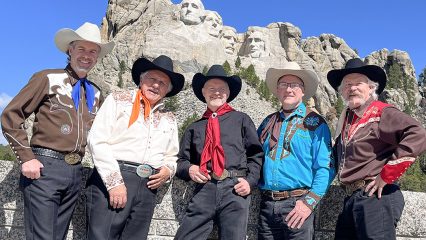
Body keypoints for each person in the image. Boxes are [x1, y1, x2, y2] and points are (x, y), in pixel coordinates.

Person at [0, 22, 114, 239]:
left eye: (93, 51)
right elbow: (11, 116)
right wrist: (26, 158)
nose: (86, 56)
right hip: (45, 168)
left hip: (75, 172)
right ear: (70, 50)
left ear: (97, 57)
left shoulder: (96, 94)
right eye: (81, 49)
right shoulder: (47, 78)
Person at [85, 55, 184, 240]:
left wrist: (168, 170)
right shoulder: (117, 100)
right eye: (152, 79)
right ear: (141, 79)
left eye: (162, 83)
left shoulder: (169, 118)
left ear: (167, 90)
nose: (156, 85)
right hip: (115, 179)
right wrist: (114, 183)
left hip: (147, 187)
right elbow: (97, 140)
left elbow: (172, 155)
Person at [327, 58, 426, 240]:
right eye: (347, 84)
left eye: (358, 83)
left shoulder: (382, 112)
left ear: (372, 88)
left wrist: (386, 175)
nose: (352, 88)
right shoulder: (347, 120)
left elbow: (418, 134)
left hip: (375, 197)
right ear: (342, 91)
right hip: (351, 198)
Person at [174, 65, 263, 240]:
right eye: (212, 89)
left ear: (228, 93)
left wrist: (250, 181)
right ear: (203, 92)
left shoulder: (242, 120)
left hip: (235, 189)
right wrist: (190, 169)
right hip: (204, 189)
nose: (217, 93)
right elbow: (181, 161)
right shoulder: (195, 127)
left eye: (221, 89)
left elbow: (256, 155)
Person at [257, 62, 335, 240]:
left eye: (294, 85)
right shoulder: (266, 123)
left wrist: (309, 203)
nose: (289, 90)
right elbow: (254, 157)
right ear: (277, 90)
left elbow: (326, 167)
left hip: (298, 205)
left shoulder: (315, 123)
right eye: (283, 84)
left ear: (302, 90)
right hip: (267, 204)